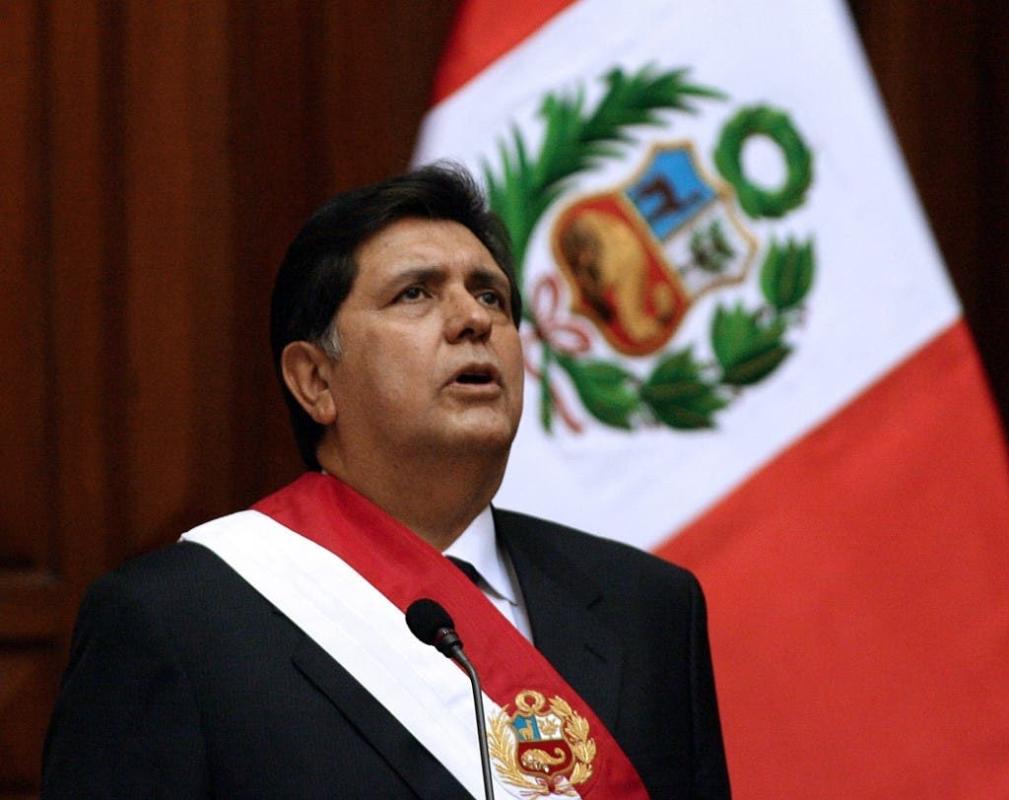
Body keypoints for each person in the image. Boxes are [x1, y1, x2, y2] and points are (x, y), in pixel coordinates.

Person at [42, 164, 731, 799]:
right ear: (315, 380)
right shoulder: (177, 622)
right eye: (415, 293)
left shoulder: (648, 610)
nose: (474, 320)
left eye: (490, 295)